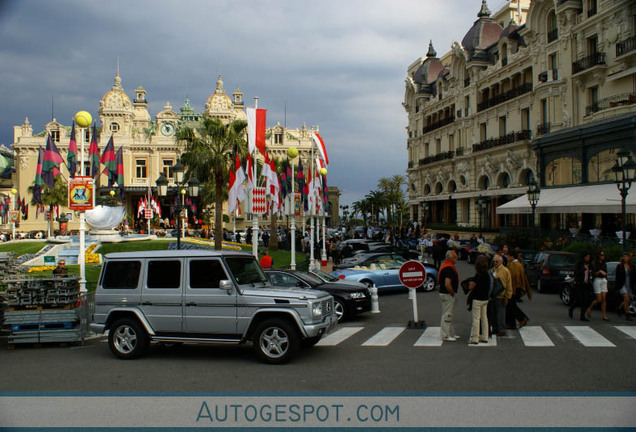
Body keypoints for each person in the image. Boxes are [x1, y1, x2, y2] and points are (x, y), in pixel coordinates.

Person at [467, 255, 491, 344]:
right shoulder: (487, 275)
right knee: (484, 317)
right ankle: (485, 336)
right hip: (485, 298)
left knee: (476, 318)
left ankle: (475, 337)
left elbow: (471, 287)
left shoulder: (478, 275)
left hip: (477, 298)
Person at [505, 250, 531, 329]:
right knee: (510, 306)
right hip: (516, 288)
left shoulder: (514, 265)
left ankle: (522, 318)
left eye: (508, 256)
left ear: (512, 256)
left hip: (514, 288)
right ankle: (510, 323)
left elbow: (513, 277)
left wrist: (511, 289)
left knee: (511, 305)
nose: (507, 257)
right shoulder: (518, 264)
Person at [438, 250, 460, 342]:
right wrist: (453, 294)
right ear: (450, 258)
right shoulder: (449, 269)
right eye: (455, 257)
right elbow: (448, 284)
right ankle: (445, 335)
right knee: (448, 315)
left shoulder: (445, 265)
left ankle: (450, 333)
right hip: (448, 294)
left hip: (444, 293)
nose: (457, 258)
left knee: (447, 313)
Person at [491, 254, 512, 337]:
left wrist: (507, 297)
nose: (495, 263)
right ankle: (495, 328)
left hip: (501, 296)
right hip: (493, 295)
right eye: (494, 261)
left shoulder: (505, 271)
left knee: (500, 314)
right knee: (493, 313)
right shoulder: (492, 270)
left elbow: (508, 285)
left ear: (501, 262)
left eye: (497, 261)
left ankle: (501, 329)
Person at [569, 252, 593, 322]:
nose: (588, 259)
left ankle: (582, 316)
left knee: (585, 300)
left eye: (589, 257)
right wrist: (583, 269)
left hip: (586, 284)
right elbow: (576, 273)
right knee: (578, 299)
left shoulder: (589, 265)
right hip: (579, 284)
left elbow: (591, 272)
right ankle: (571, 308)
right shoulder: (579, 264)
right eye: (587, 257)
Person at [587, 251, 609, 321]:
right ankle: (590, 307)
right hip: (597, 280)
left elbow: (606, 273)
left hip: (603, 280)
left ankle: (604, 315)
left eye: (603, 255)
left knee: (604, 299)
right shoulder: (594, 264)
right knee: (599, 299)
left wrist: (604, 273)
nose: (603, 256)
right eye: (601, 255)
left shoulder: (604, 263)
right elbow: (594, 273)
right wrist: (599, 271)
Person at [615, 252, 634, 321]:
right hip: (622, 284)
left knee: (627, 299)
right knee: (626, 298)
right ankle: (627, 314)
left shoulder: (631, 266)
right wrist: (617, 286)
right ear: (622, 258)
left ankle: (619, 308)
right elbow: (617, 277)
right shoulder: (619, 266)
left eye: (627, 256)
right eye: (624, 256)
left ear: (629, 258)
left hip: (629, 283)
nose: (625, 258)